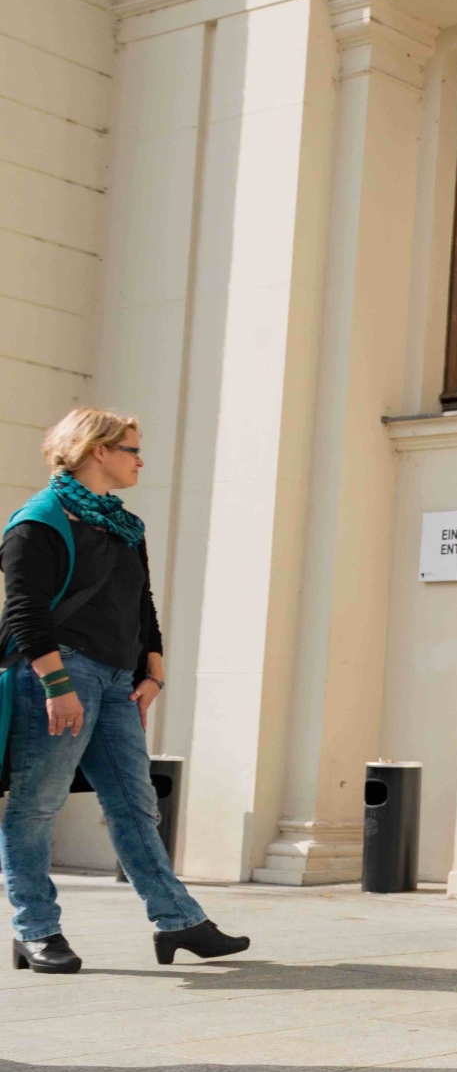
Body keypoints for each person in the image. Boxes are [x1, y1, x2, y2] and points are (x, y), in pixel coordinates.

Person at [0, 409, 250, 974]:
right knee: (37, 806)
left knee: (135, 806)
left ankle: (178, 921)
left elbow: (141, 605)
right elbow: (24, 612)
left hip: (117, 681)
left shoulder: (124, 526)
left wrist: (153, 670)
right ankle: (36, 930)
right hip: (58, 676)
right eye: (132, 449)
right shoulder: (37, 522)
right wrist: (57, 684)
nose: (140, 460)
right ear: (98, 450)